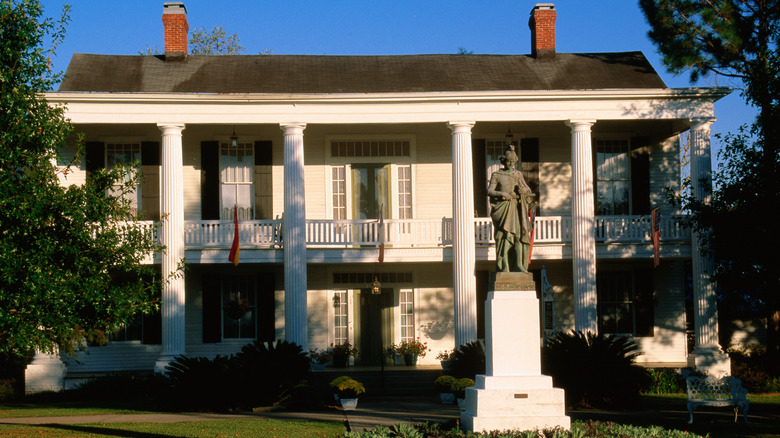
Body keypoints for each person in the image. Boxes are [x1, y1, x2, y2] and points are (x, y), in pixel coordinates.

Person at [487, 145, 537, 273]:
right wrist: (501, 194)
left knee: (519, 236)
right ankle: (505, 267)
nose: (511, 164)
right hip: (503, 208)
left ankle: (519, 264)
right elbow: (489, 191)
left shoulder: (518, 174)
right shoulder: (496, 175)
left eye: (513, 162)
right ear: (503, 161)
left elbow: (527, 189)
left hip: (517, 207)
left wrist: (523, 190)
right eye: (508, 161)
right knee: (504, 236)